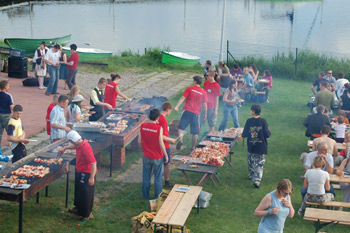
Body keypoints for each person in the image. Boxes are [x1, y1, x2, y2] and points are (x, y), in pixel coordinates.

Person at [58, 130, 96, 220]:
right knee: (79, 191)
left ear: (72, 140)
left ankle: (86, 214)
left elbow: (93, 163)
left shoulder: (85, 147)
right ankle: (78, 208)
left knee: (85, 193)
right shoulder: (79, 143)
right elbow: (74, 145)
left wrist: (91, 178)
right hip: (80, 170)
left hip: (86, 173)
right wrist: (65, 148)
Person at [138, 109, 168, 199]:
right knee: (158, 178)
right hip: (157, 156)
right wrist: (166, 154)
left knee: (146, 177)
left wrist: (143, 150)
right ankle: (157, 198)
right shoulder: (159, 128)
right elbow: (161, 143)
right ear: (158, 118)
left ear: (149, 116)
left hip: (146, 156)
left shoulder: (142, 126)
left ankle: (145, 196)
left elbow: (139, 141)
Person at [174, 75, 208, 150]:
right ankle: (193, 147)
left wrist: (177, 106)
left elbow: (183, 97)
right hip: (196, 113)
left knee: (181, 127)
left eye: (193, 81)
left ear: (195, 81)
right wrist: (205, 114)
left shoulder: (189, 89)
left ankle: (181, 139)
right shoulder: (203, 92)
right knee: (195, 132)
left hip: (187, 111)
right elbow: (205, 104)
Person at [242, 104, 271, 188]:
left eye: (251, 110)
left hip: (251, 145)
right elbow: (267, 134)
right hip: (261, 146)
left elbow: (244, 134)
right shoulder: (263, 121)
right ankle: (257, 180)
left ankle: (251, 175)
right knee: (259, 163)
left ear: (253, 111)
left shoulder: (248, 121)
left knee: (250, 160)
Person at [158, 102, 178, 188]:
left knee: (158, 164)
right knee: (166, 164)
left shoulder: (158, 117)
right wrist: (171, 140)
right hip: (164, 145)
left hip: (159, 144)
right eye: (170, 111)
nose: (170, 113)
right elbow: (160, 135)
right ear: (167, 110)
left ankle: (148, 180)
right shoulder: (162, 119)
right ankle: (166, 182)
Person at [0, 80, 14, 151]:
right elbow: (11, 106)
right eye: (8, 86)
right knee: (10, 132)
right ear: (5, 87)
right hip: (6, 116)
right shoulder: (8, 95)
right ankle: (14, 147)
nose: (9, 87)